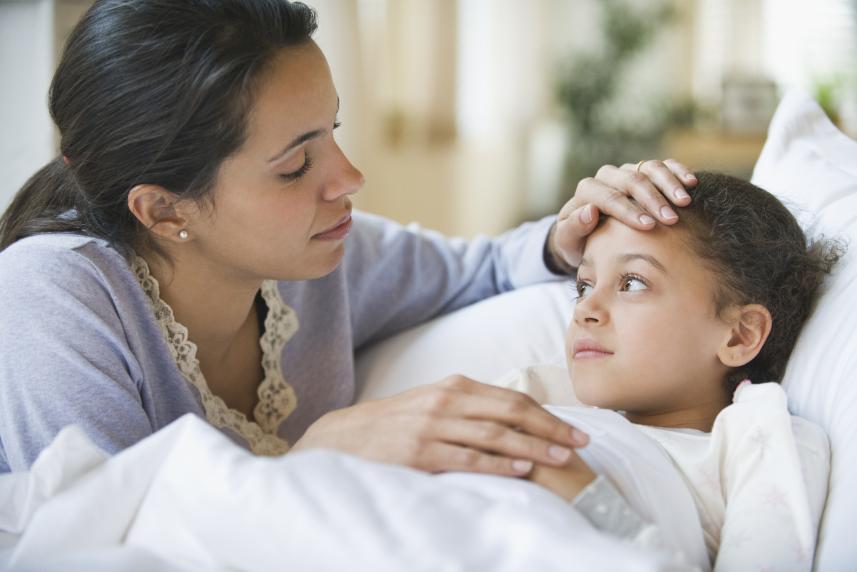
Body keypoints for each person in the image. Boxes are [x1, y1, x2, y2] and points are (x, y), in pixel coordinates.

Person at [0, 0, 696, 475]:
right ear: (159, 209)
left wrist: (567, 236)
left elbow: (475, 270)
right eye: (294, 165)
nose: (349, 178)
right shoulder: (52, 299)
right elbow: (91, 534)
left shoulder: (323, 260)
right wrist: (324, 454)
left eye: (332, 132)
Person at [492, 172, 842, 570]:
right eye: (584, 285)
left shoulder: (753, 440)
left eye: (633, 283)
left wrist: (590, 500)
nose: (585, 310)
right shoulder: (537, 390)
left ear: (739, 335)